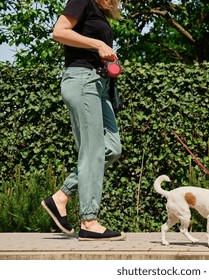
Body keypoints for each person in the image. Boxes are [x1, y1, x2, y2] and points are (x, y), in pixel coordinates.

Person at [41, 0, 125, 241]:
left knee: (111, 148)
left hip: (100, 84)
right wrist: (98, 43)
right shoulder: (82, 0)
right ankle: (89, 221)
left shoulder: (100, 12)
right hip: (82, 80)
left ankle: (61, 196)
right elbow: (59, 32)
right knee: (92, 150)